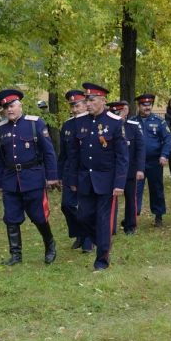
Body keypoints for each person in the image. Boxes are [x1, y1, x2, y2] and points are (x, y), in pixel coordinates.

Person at [0, 89, 58, 265]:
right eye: (6, 107)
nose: (10, 110)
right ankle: (16, 255)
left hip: (33, 178)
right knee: (11, 218)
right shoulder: (1, 129)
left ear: (20, 105)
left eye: (12, 106)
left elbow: (49, 151)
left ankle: (50, 245)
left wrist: (52, 176)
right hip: (10, 180)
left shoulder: (34, 123)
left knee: (39, 216)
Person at [68, 84, 128, 272]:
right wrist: (72, 179)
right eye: (86, 100)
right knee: (83, 217)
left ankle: (101, 260)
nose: (88, 103)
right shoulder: (80, 122)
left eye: (92, 100)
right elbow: (73, 154)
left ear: (103, 101)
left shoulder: (115, 122)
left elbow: (122, 156)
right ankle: (102, 241)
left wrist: (119, 183)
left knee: (103, 221)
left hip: (107, 182)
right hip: (85, 179)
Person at [57, 90, 94, 253]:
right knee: (66, 205)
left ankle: (88, 241)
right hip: (69, 172)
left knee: (86, 207)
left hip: (87, 172)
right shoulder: (67, 125)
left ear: (86, 104)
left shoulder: (93, 122)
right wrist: (58, 175)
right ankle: (79, 231)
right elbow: (63, 154)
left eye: (77, 106)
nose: (74, 109)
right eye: (72, 106)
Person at [129, 94, 171, 227]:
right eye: (144, 105)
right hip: (137, 163)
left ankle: (158, 215)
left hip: (155, 162)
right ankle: (133, 216)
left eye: (149, 105)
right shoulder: (132, 122)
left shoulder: (160, 121)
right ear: (139, 106)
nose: (147, 107)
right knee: (135, 190)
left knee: (156, 189)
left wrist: (164, 155)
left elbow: (167, 140)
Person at [106, 101, 145, 235]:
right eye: (112, 113)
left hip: (129, 170)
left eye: (118, 113)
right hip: (112, 171)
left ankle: (130, 225)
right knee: (111, 200)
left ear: (124, 112)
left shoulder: (133, 127)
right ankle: (111, 228)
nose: (115, 116)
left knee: (130, 198)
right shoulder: (107, 127)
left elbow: (140, 148)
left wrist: (140, 168)